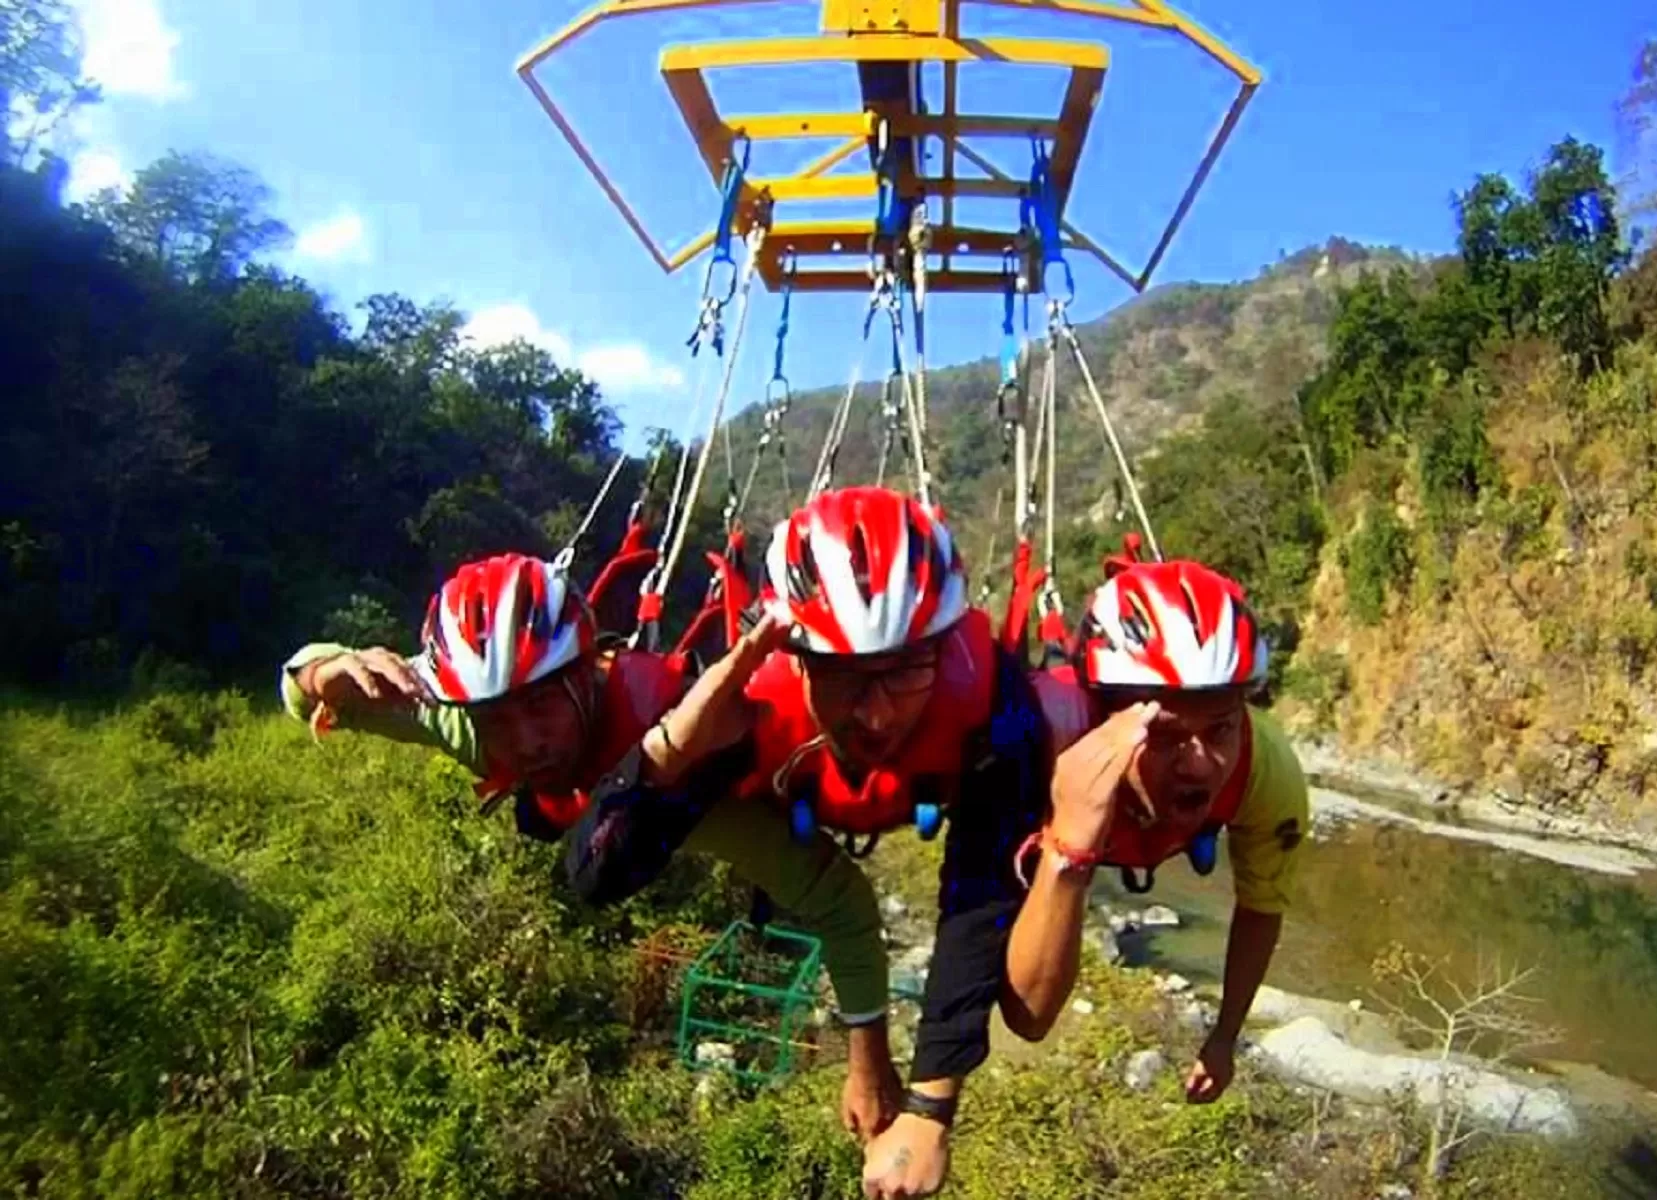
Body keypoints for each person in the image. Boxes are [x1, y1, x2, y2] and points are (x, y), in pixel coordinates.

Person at [278, 551, 902, 1137]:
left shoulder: (681, 767)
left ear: (585, 676)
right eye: (498, 717)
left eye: (542, 706)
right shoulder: (465, 715)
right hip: (567, 804)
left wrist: (869, 1062)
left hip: (646, 792)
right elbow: (312, 691)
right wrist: (321, 669)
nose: (524, 743)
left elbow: (840, 904)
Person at [582, 487, 1058, 1200]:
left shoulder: (994, 697)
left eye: (903, 670)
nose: (875, 712)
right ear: (797, 657)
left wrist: (931, 1104)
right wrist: (673, 746)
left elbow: (980, 889)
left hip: (915, 796)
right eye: (841, 675)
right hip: (795, 809)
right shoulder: (747, 701)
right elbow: (598, 876)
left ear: (940, 646)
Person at [1004, 558, 1311, 1104]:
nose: (1199, 764)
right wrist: (1068, 849)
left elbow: (1262, 906)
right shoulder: (1039, 744)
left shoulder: (1267, 769)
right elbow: (1029, 1017)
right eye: (1166, 733)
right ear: (1104, 720)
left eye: (1221, 728)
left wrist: (1224, 1038)